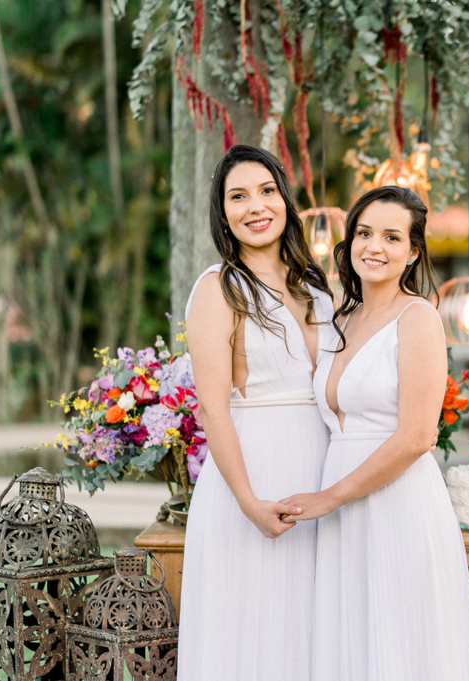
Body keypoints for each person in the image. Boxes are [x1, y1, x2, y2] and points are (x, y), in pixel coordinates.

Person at [281, 186, 469, 680]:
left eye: (392, 237)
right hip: (340, 512)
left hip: (397, 503)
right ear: (349, 242)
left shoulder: (418, 319)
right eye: (365, 233)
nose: (375, 246)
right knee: (348, 641)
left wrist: (330, 497)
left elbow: (417, 437)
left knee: (400, 643)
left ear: (413, 252)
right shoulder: (339, 320)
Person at [178, 145, 333, 680]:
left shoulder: (317, 285)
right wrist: (248, 503)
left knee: (312, 629)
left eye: (266, 190)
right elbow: (212, 409)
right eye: (238, 196)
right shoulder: (218, 289)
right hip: (253, 476)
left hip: (322, 476)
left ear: (285, 199)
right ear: (223, 214)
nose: (256, 206)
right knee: (252, 632)